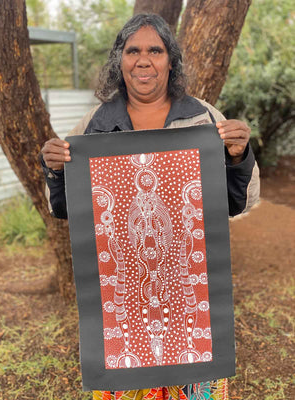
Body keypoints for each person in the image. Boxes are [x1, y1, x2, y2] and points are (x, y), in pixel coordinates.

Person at [41, 13, 259, 400]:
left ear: (169, 60)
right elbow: (67, 210)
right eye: (133, 51)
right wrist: (55, 171)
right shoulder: (94, 125)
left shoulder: (204, 119)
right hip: (122, 308)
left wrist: (238, 156)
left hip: (190, 300)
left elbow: (236, 202)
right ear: (119, 61)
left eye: (155, 50)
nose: (144, 60)